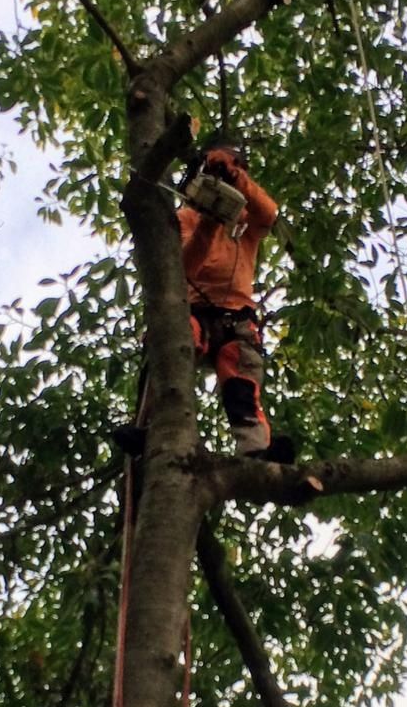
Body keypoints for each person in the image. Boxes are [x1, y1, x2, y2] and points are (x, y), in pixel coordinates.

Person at [119, 137, 294, 464]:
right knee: (170, 351)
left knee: (241, 382)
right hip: (192, 309)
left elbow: (268, 214)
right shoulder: (186, 218)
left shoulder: (246, 222)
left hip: (236, 318)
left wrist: (232, 175)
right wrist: (210, 224)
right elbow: (185, 267)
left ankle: (256, 450)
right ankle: (152, 429)